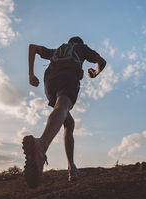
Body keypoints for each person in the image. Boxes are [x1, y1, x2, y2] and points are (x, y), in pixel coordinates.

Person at [23, 36, 106, 188]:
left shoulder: (57, 50)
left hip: (49, 83)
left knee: (69, 123)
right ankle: (41, 146)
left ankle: (71, 167)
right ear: (78, 43)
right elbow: (102, 62)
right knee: (63, 106)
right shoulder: (81, 47)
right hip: (68, 77)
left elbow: (32, 47)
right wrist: (95, 72)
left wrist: (31, 74)